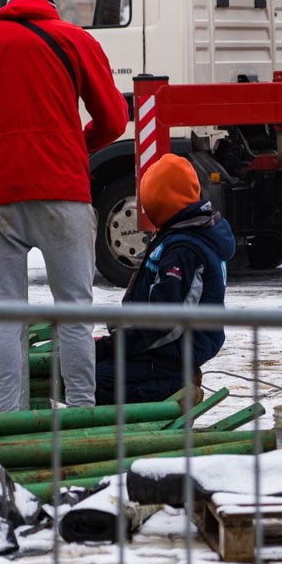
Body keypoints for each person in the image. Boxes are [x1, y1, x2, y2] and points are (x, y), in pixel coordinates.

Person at [0, 0, 128, 412]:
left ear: (8, 4)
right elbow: (114, 120)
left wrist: (1, 142)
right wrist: (69, 144)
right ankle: (82, 409)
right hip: (64, 191)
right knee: (75, 312)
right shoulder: (74, 40)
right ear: (51, 4)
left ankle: (7, 417)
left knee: (5, 318)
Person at [94, 154, 234, 405]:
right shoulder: (182, 234)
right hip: (160, 349)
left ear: (163, 202)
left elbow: (165, 324)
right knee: (95, 369)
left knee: (93, 381)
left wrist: (113, 346)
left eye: (149, 202)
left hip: (166, 355)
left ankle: (175, 391)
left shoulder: (183, 250)